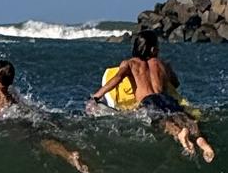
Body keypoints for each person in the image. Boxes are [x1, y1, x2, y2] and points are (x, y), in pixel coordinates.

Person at [90, 30, 215, 163]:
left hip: (149, 101)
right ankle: (202, 142)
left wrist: (96, 97)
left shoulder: (130, 63)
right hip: (165, 97)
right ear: (153, 49)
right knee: (185, 118)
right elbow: (175, 83)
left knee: (162, 121)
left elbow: (117, 79)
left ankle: (179, 133)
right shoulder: (162, 64)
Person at [0, 59, 91, 173]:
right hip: (23, 118)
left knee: (36, 142)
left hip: (8, 122)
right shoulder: (11, 93)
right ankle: (68, 154)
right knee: (40, 138)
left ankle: (69, 155)